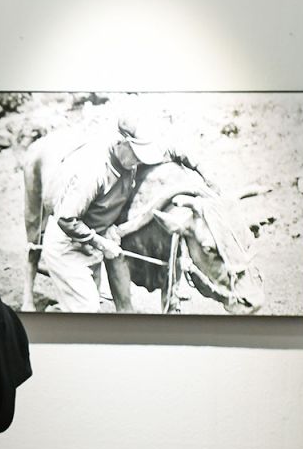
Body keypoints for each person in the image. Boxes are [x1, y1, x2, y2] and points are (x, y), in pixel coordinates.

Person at [43, 114, 203, 312]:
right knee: (87, 309)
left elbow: (172, 150)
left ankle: (60, 312)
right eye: (136, 154)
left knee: (84, 302)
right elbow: (66, 220)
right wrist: (101, 242)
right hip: (67, 245)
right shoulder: (93, 172)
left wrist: (205, 174)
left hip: (92, 243)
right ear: (121, 142)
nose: (139, 161)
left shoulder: (131, 158)